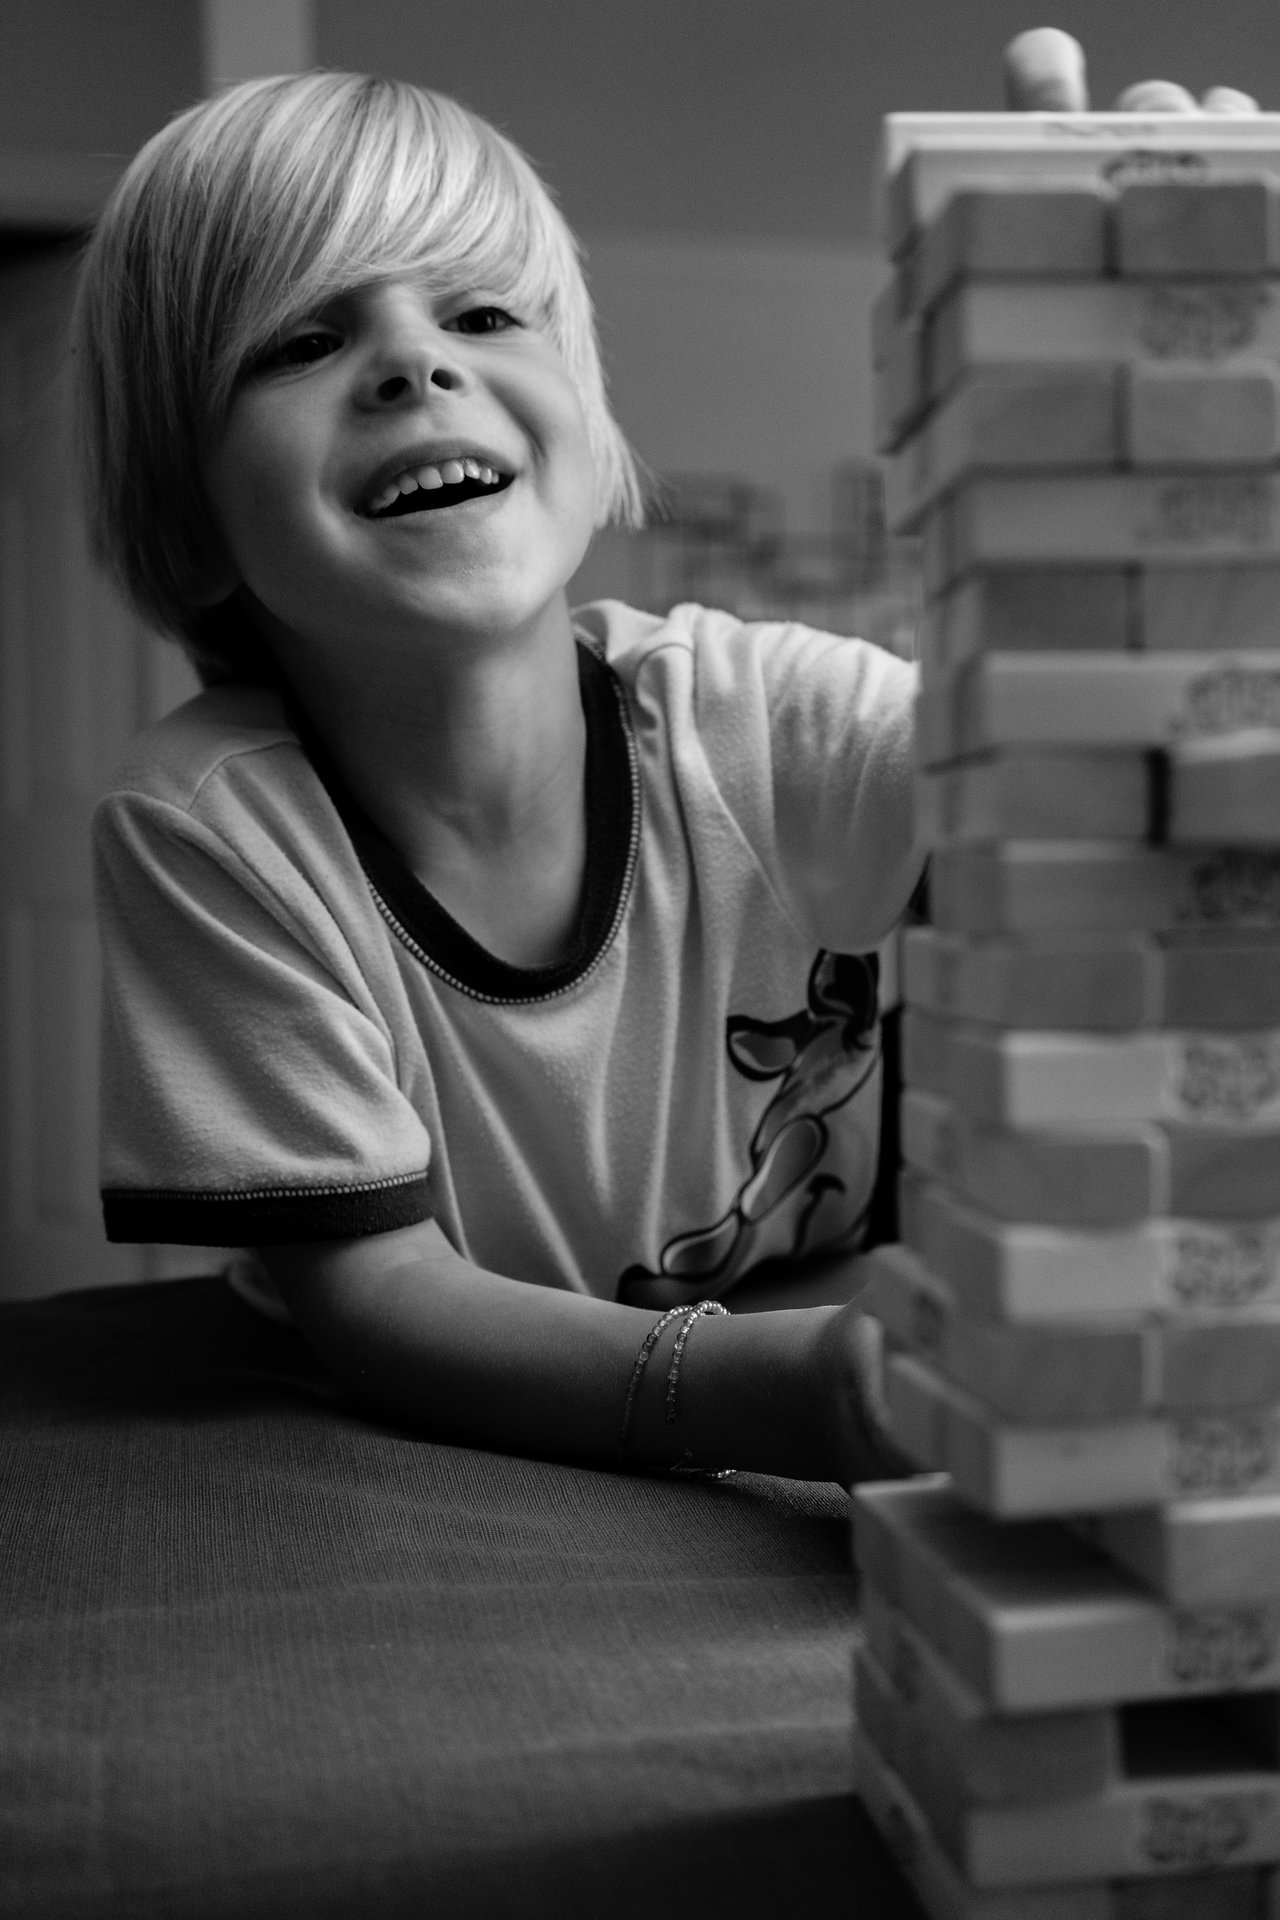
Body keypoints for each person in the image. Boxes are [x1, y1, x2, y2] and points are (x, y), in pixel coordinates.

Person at [77, 38, 1257, 1487]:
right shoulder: (211, 827)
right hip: (487, 1460)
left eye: (484, 309)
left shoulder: (756, 715)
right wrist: (774, 1388)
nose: (415, 361)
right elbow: (380, 1297)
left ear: (591, 426)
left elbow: (1131, 787)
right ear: (183, 507)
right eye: (304, 341)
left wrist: (1178, 443)